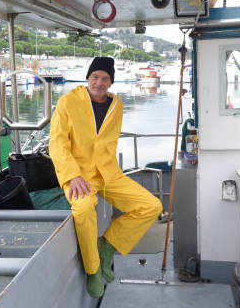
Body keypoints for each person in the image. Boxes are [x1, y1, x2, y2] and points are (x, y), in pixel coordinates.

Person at [49, 57, 162, 298]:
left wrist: (110, 172)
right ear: (88, 78)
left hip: (108, 172)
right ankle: (93, 270)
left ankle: (107, 245)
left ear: (111, 81)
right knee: (84, 208)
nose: (99, 83)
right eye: (95, 77)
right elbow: (57, 144)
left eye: (105, 78)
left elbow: (109, 141)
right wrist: (72, 175)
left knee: (151, 206)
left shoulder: (116, 105)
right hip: (78, 175)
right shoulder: (67, 102)